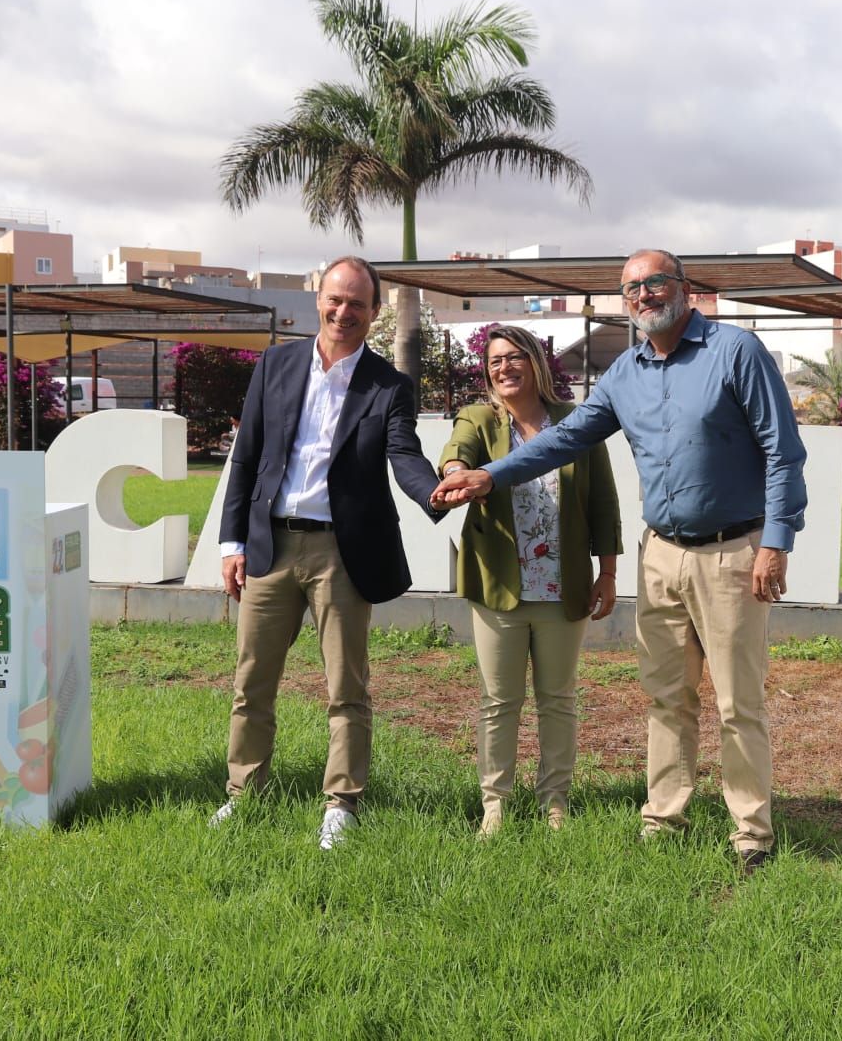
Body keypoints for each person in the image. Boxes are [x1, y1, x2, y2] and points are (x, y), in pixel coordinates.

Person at [432, 249, 808, 874]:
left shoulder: (735, 352)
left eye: (655, 282)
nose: (643, 295)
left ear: (684, 288)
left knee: (738, 701)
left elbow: (782, 451)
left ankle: (751, 833)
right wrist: (488, 478)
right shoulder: (624, 372)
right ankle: (664, 817)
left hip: (732, 553)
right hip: (659, 555)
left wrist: (776, 541)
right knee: (666, 696)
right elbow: (563, 439)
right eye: (631, 287)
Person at [214, 255, 443, 850]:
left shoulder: (389, 385)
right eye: (336, 300)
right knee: (251, 681)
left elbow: (404, 454)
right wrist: (232, 540)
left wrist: (436, 490)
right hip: (271, 546)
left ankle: (341, 803)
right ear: (318, 298)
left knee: (347, 687)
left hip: (344, 553)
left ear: (374, 312)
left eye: (358, 305)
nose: (344, 313)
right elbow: (247, 457)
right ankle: (244, 793)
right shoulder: (276, 363)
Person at [439, 325, 622, 838]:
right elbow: (458, 449)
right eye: (495, 361)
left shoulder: (575, 422)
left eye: (514, 357)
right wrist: (456, 472)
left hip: (563, 587)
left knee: (558, 698)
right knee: (499, 701)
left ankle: (554, 802)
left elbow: (603, 501)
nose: (504, 368)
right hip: (499, 584)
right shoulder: (480, 417)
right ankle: (494, 804)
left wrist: (607, 572)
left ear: (537, 363)